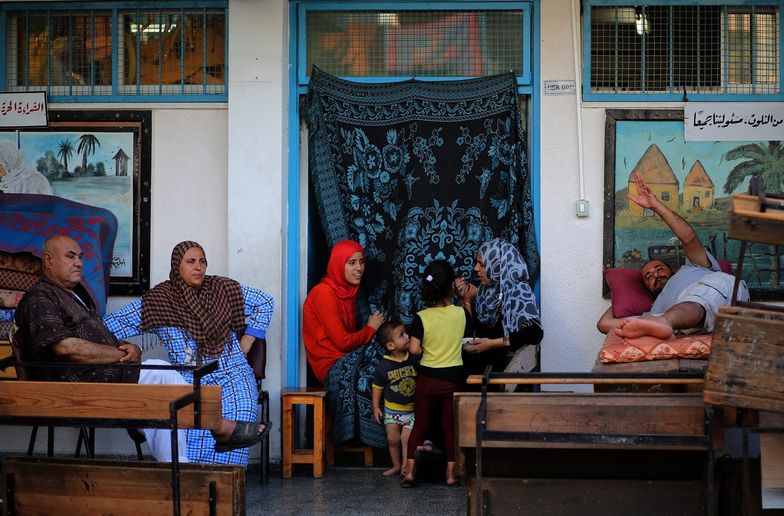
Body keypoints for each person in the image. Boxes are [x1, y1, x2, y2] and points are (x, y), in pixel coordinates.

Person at [14, 234, 190, 462]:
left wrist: (131, 347)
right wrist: (118, 355)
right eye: (70, 256)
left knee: (166, 388)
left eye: (80, 257)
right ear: (48, 261)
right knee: (166, 380)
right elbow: (67, 348)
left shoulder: (77, 294)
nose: (79, 262)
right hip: (75, 386)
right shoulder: (40, 297)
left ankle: (175, 464)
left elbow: (100, 338)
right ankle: (181, 464)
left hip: (104, 376)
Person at [103, 240, 274, 467]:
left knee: (239, 417)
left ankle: (226, 485)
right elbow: (106, 327)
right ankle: (193, 486)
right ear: (177, 266)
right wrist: (134, 347)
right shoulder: (158, 300)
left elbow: (265, 302)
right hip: (190, 378)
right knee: (188, 427)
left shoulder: (222, 288)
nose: (198, 267)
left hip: (234, 375)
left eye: (202, 261)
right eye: (191, 261)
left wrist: (246, 343)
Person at [597, 172, 749, 339]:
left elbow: (688, 237)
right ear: (647, 288)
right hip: (682, 323)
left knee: (702, 295)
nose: (655, 275)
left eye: (659, 269)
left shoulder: (694, 267)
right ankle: (668, 324)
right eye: (648, 277)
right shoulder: (653, 312)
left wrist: (656, 206)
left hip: (723, 296)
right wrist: (622, 296)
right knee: (655, 320)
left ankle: (667, 324)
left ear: (674, 271)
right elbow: (604, 324)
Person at [302, 239, 386, 448]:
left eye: (361, 262)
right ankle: (367, 436)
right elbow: (342, 341)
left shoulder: (349, 293)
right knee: (373, 371)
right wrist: (370, 330)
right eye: (351, 263)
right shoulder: (324, 294)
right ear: (338, 265)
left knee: (389, 366)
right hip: (329, 364)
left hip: (344, 356)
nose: (358, 268)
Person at [401, 260, 471, 488]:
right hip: (453, 380)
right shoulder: (460, 314)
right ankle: (451, 475)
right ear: (452, 286)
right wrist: (466, 300)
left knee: (420, 425)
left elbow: (413, 349)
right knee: (449, 428)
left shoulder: (421, 317)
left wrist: (423, 348)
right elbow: (468, 330)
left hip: (427, 380)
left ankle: (410, 472)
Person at [457, 238, 544, 375]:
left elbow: (535, 333)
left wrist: (492, 344)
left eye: (482, 264)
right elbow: (471, 330)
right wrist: (465, 299)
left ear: (498, 266)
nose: (475, 268)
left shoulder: (519, 292)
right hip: (477, 370)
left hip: (503, 373)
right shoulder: (485, 291)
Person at [372, 320, 418, 477]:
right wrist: (376, 407)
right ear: (391, 346)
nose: (407, 337)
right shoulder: (384, 366)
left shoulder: (413, 358)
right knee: (393, 439)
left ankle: (406, 467)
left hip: (410, 411)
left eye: (406, 333)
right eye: (402, 335)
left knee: (406, 439)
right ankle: (396, 465)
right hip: (392, 411)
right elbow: (377, 388)